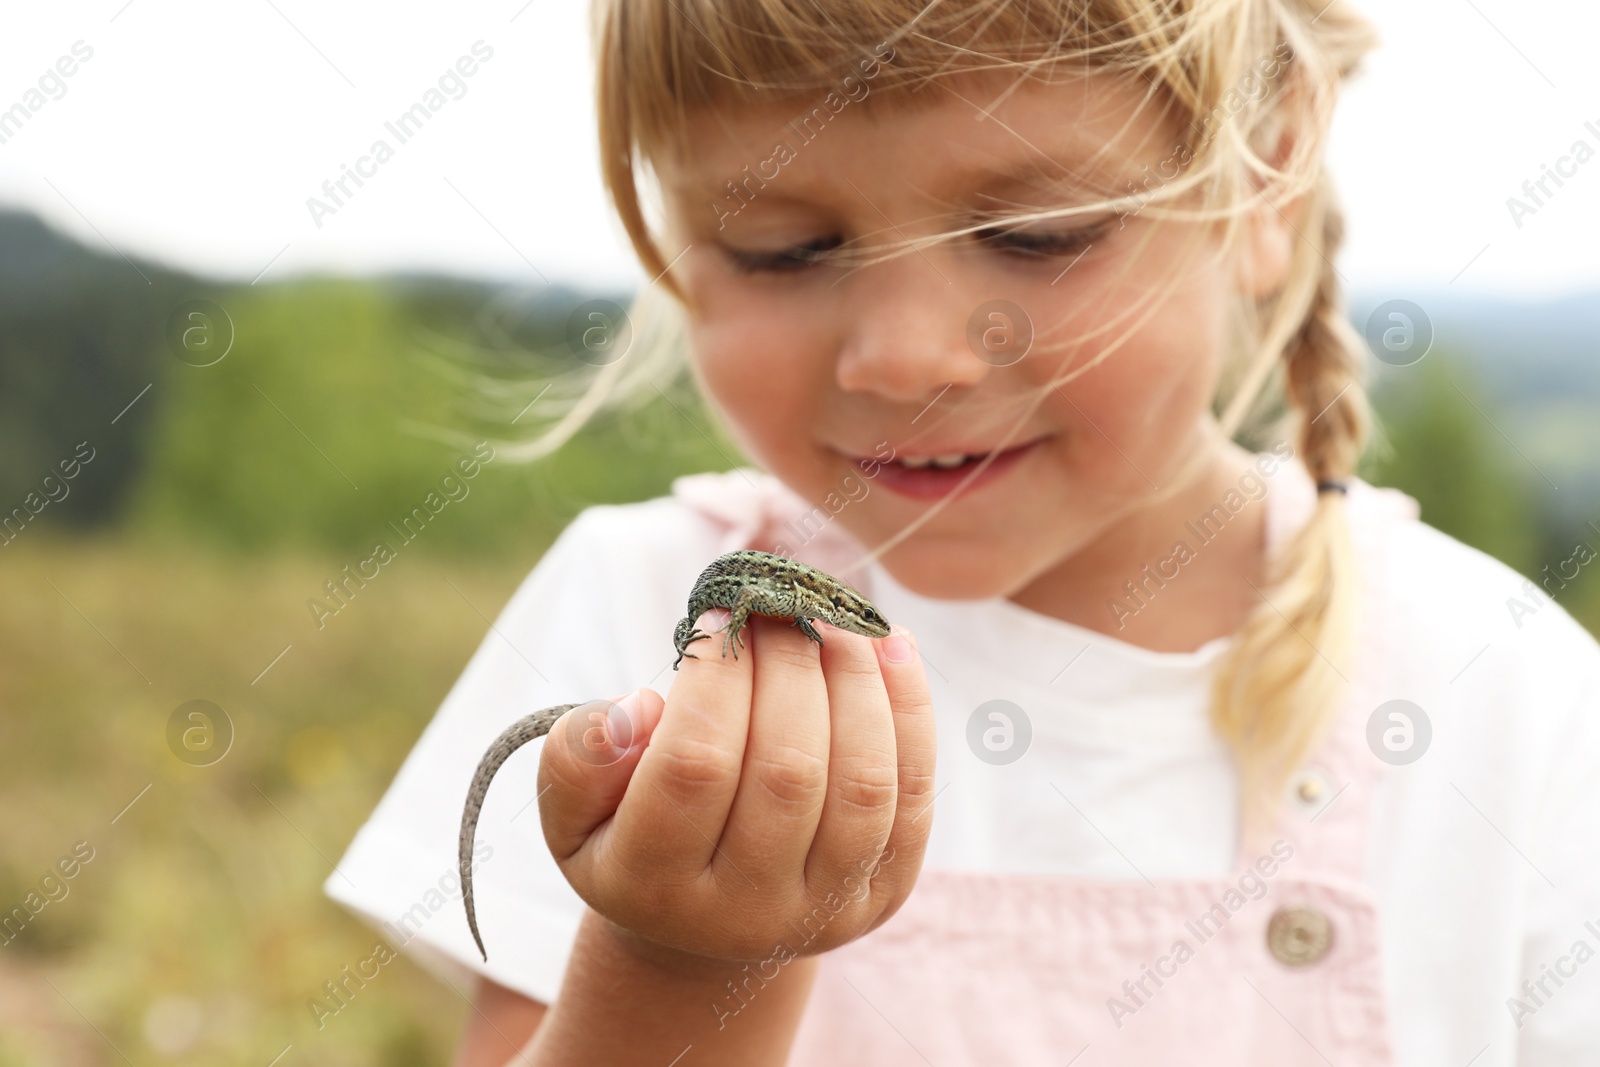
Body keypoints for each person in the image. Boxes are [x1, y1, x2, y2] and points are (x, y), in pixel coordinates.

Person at [327, 1, 1600, 1063]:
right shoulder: (629, 599)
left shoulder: (1505, 683)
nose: (906, 357)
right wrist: (677, 964)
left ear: (1263, 180)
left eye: (1035, 235)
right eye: (782, 248)